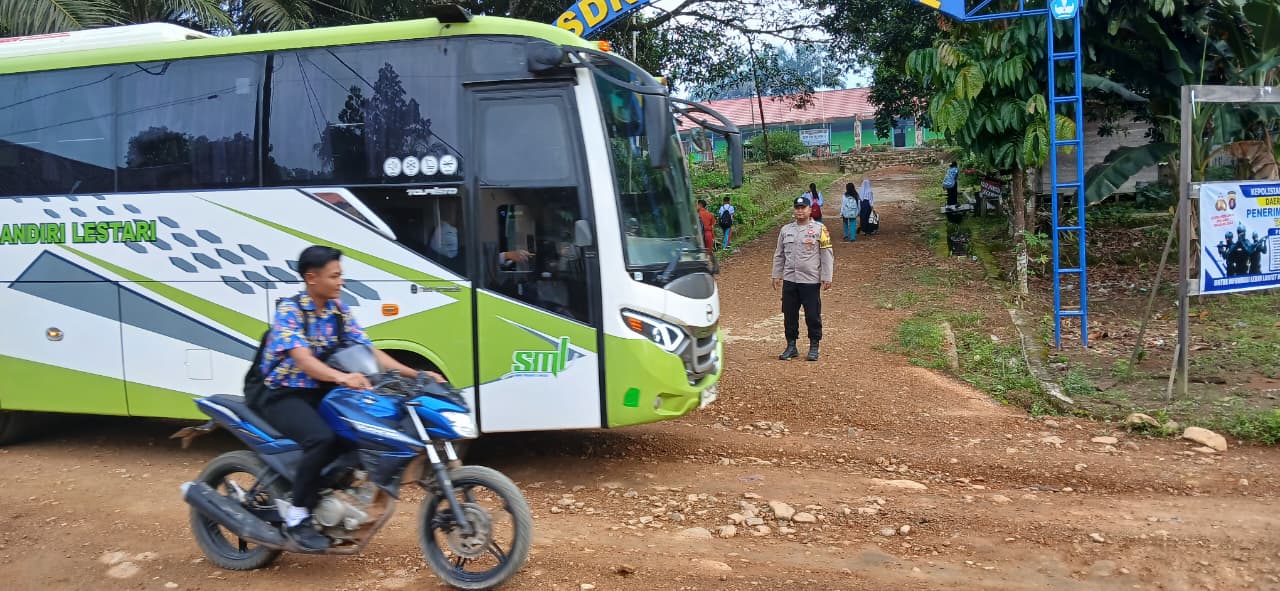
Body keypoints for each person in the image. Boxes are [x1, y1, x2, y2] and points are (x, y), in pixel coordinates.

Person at [254, 245, 443, 551]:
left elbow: (369, 350)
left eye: (341, 275)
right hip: (282, 392)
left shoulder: (338, 309)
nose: (341, 281)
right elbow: (303, 360)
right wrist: (342, 377)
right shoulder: (290, 311)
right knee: (321, 439)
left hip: (321, 390)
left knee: (359, 433)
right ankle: (297, 515)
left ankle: (326, 494)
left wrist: (417, 374)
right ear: (312, 278)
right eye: (335, 275)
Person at [772, 196, 834, 362]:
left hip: (810, 280)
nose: (800, 211)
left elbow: (826, 254)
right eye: (797, 208)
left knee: (812, 315)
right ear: (794, 210)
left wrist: (827, 276)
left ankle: (814, 346)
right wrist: (776, 274)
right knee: (789, 314)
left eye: (803, 208)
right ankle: (791, 346)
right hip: (790, 279)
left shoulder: (820, 229)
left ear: (809, 210)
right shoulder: (786, 230)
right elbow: (779, 254)